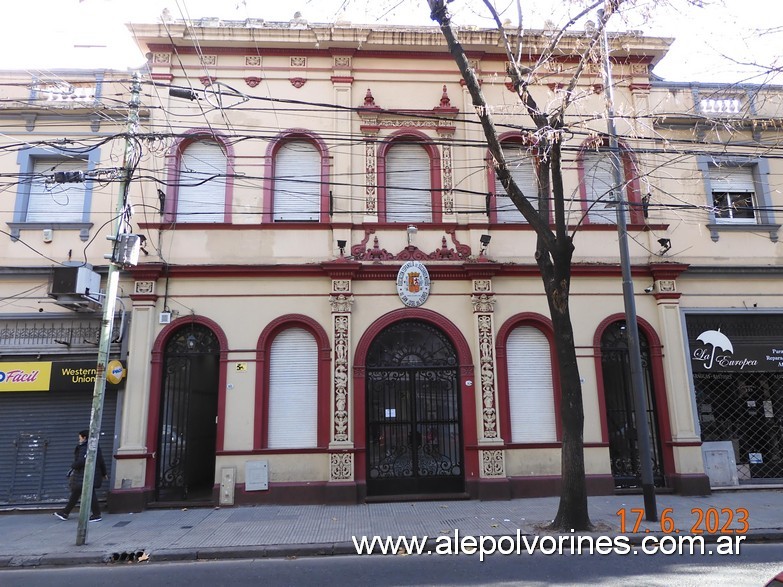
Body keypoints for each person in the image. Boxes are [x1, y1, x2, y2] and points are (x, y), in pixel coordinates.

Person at [53, 430, 108, 522]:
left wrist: (74, 465)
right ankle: (65, 512)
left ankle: (96, 515)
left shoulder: (84, 447)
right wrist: (104, 473)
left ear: (84, 437)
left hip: (85, 474)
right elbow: (101, 460)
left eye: (80, 437)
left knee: (88, 492)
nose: (79, 439)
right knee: (77, 492)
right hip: (90, 474)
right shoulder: (95, 447)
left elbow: (82, 461)